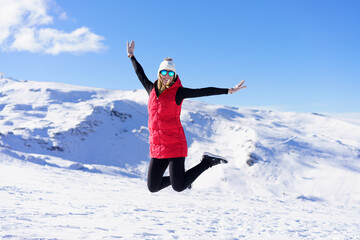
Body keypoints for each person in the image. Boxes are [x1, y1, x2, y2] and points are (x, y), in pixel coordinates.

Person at [127, 41, 246, 192]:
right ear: (159, 73)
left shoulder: (178, 92)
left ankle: (207, 163)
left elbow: (203, 91)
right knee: (153, 186)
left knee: (179, 187)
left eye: (171, 73)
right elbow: (140, 73)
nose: (167, 76)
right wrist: (131, 56)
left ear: (174, 75)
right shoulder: (151, 89)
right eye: (164, 72)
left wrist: (228, 90)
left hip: (175, 144)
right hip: (158, 147)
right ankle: (184, 178)